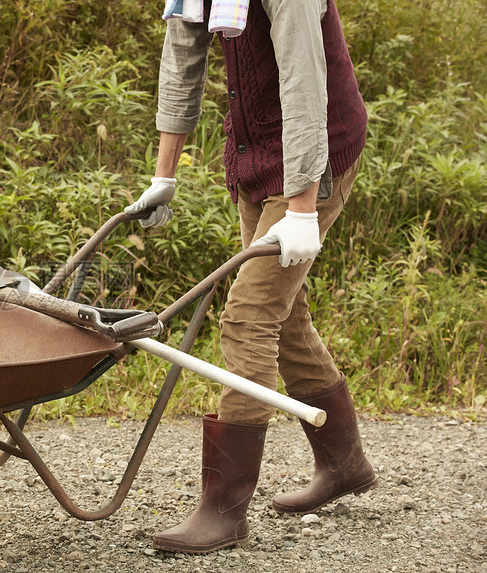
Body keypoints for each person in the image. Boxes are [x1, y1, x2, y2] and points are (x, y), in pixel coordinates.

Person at [125, 0, 377, 554]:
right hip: (256, 153)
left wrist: (305, 208)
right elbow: (182, 59)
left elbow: (305, 87)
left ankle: (224, 510)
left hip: (315, 156)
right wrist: (162, 176)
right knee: (283, 316)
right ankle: (345, 463)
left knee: (249, 315)